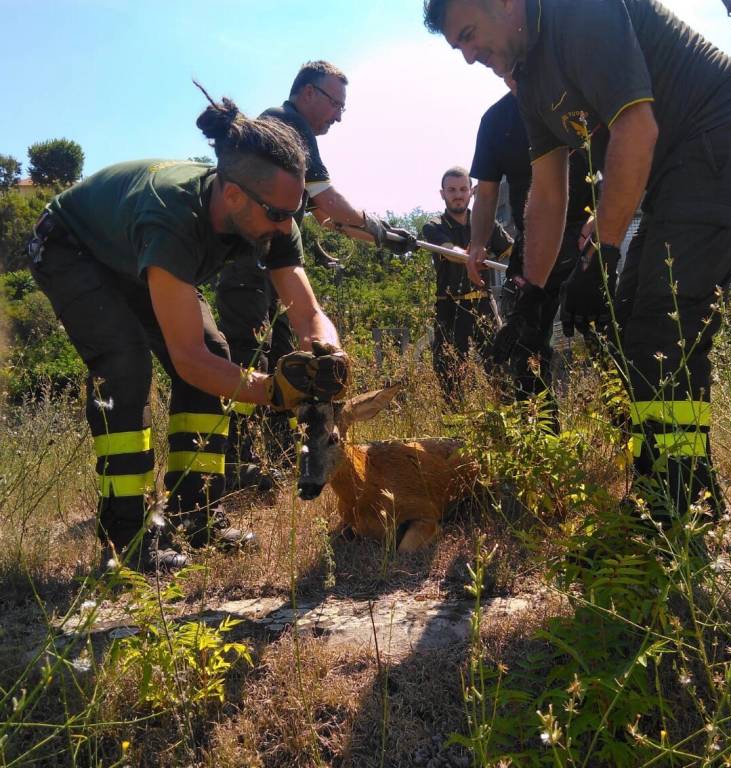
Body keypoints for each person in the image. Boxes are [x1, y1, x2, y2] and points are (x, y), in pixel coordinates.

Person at [425, 0, 731, 524]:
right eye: (460, 48)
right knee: (636, 314)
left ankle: (670, 505)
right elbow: (547, 195)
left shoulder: (579, 13)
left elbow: (636, 129)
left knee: (663, 316)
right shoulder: (529, 81)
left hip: (725, 135)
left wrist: (605, 252)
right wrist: (532, 296)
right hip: (675, 170)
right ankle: (689, 489)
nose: (471, 56)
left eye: (471, 35)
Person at [26, 90, 350, 572]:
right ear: (234, 195)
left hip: (134, 252)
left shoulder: (273, 210)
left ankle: (195, 516)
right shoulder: (172, 218)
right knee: (125, 365)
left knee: (218, 348)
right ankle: (126, 539)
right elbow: (188, 359)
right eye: (279, 216)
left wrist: (328, 351)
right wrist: (275, 392)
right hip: (71, 246)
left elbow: (307, 312)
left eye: (295, 211)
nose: (287, 228)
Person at [215, 60, 415, 489]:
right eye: (335, 104)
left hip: (271, 267)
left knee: (291, 359)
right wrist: (379, 230)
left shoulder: (288, 128)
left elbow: (329, 221)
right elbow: (330, 205)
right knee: (249, 352)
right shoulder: (288, 126)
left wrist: (383, 237)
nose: (339, 116)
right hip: (248, 264)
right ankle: (237, 465)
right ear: (308, 93)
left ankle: (276, 452)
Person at [468, 76, 593, 425]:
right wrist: (478, 242)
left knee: (604, 335)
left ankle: (633, 439)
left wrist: (602, 220)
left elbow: (619, 156)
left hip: (586, 237)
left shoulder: (578, 99)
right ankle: (542, 438)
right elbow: (487, 192)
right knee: (524, 343)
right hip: (534, 243)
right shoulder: (495, 121)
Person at [421, 166, 513, 405]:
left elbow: (511, 251)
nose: (458, 194)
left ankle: (508, 427)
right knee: (449, 373)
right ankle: (455, 433)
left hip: (483, 303)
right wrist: (470, 256)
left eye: (463, 189)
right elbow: (451, 251)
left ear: (471, 192)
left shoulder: (485, 222)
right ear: (442, 194)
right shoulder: (433, 225)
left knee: (500, 367)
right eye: (451, 190)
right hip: (450, 308)